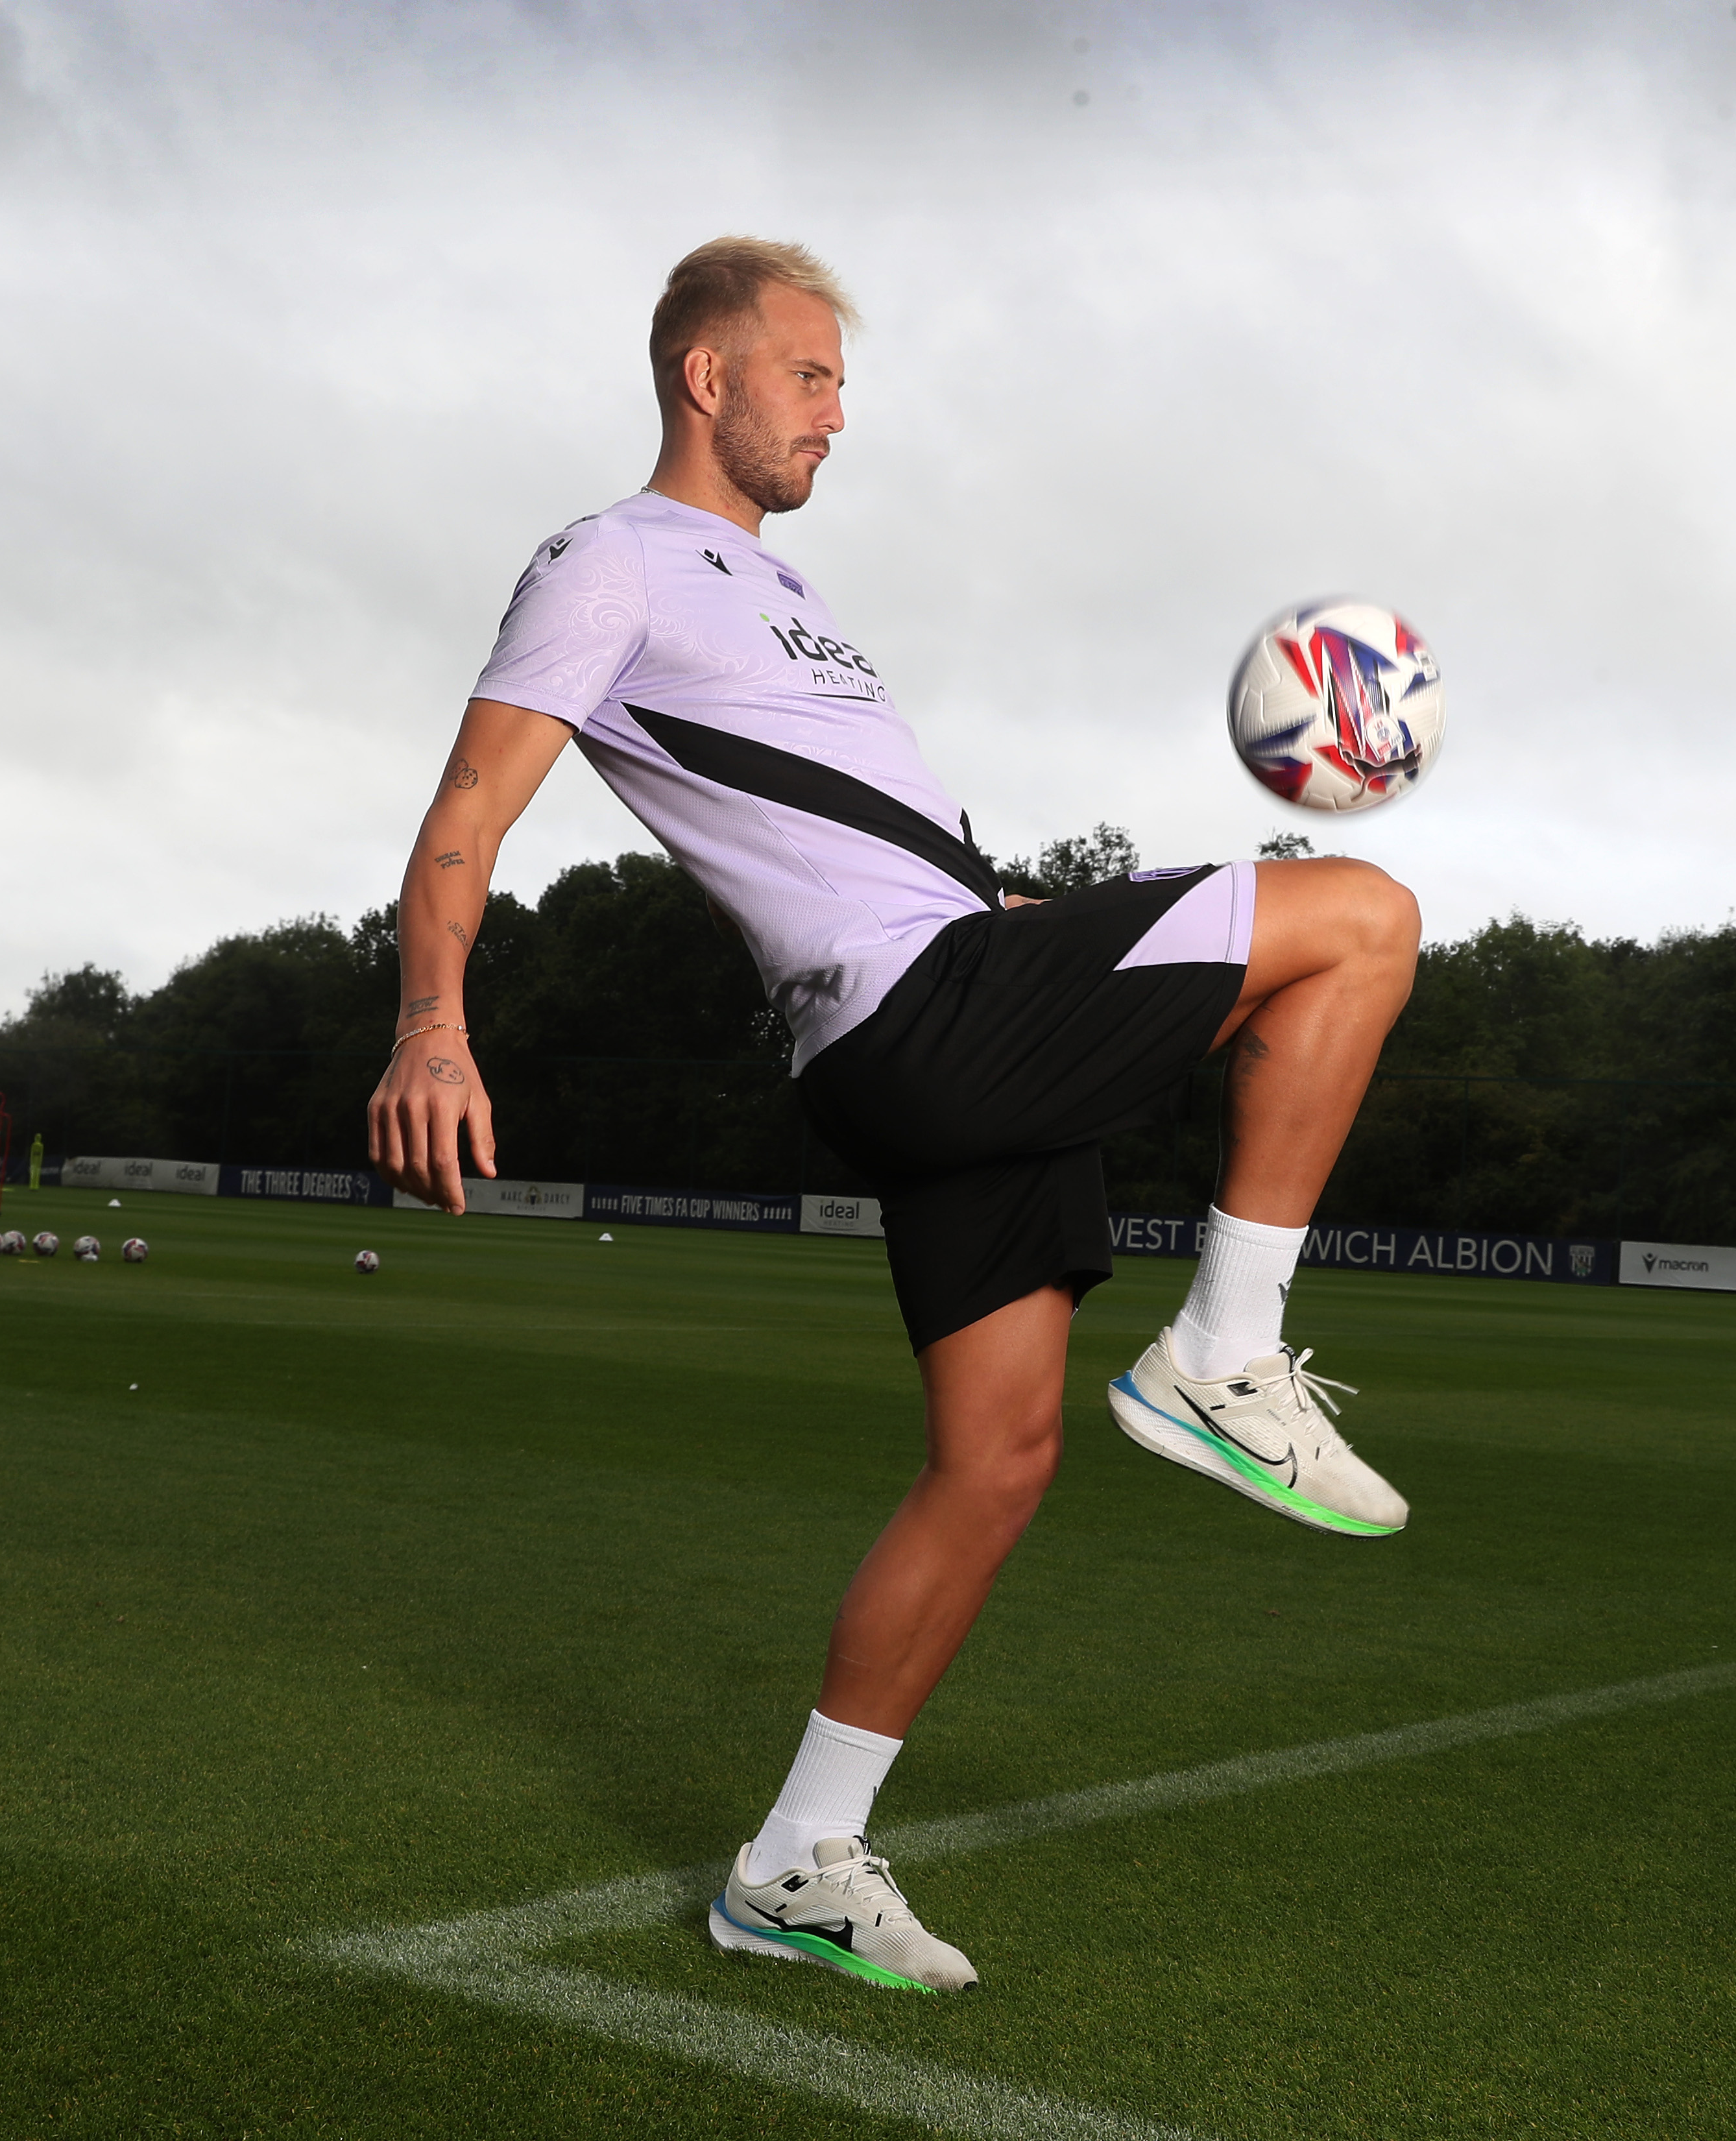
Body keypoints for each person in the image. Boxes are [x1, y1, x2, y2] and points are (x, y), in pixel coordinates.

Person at [366, 237, 1422, 1994]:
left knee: (996, 1461)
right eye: (809, 376)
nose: (837, 415)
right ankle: (1227, 1350)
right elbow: (474, 798)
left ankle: (795, 1860)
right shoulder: (610, 559)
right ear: (707, 377)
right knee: (1363, 920)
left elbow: (831, 829)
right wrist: (430, 1021)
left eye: (842, 384)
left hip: (949, 993)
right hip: (916, 1021)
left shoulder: (793, 601)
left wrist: (1004, 916)